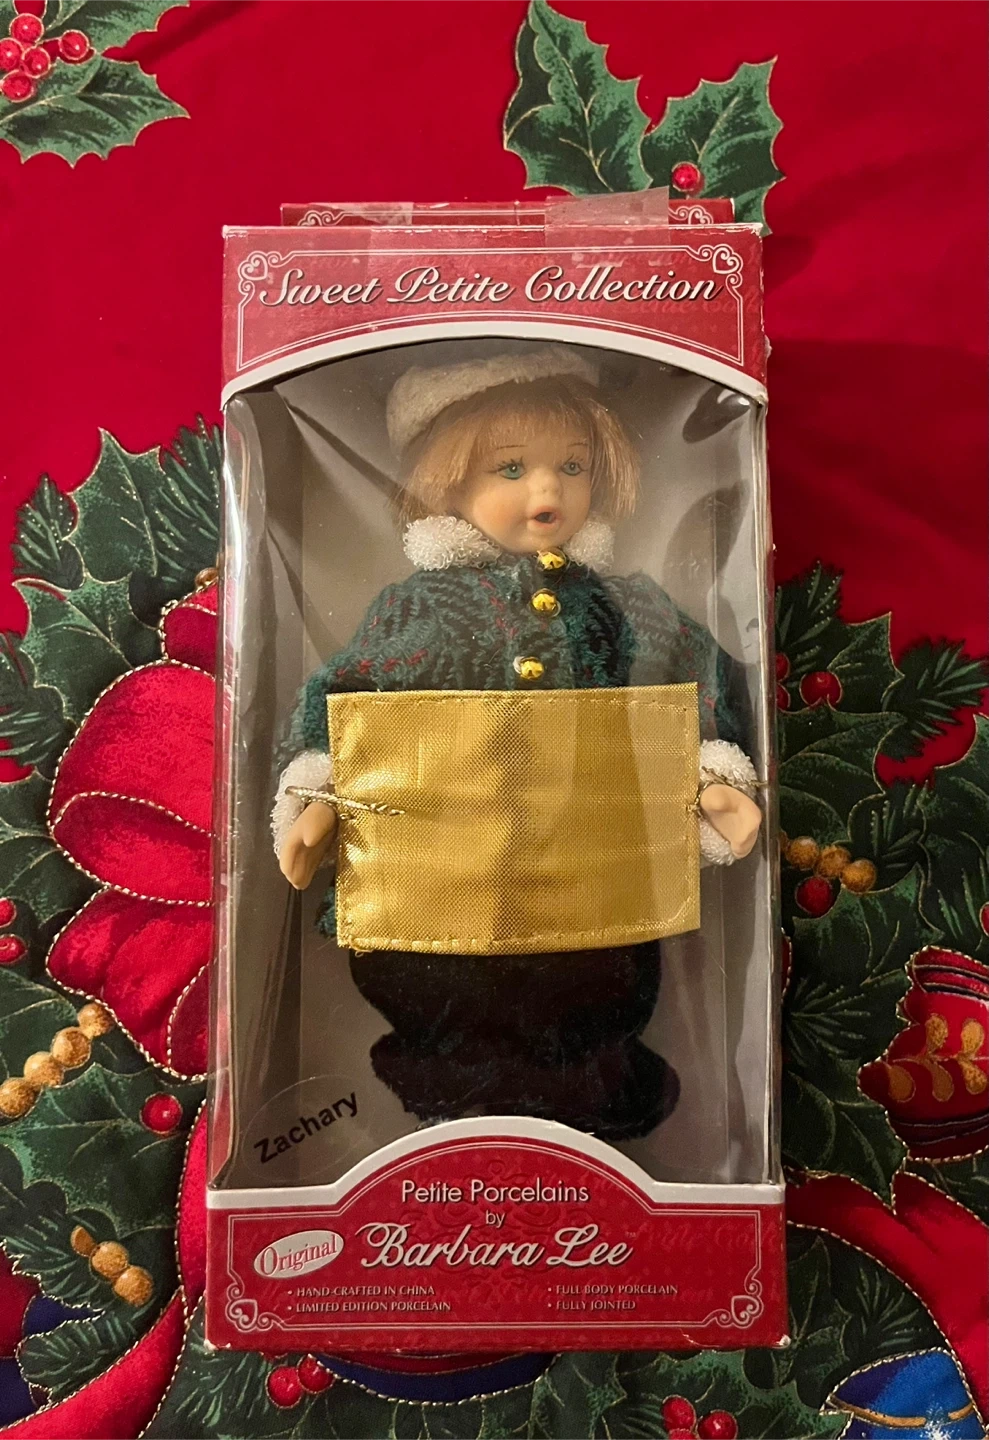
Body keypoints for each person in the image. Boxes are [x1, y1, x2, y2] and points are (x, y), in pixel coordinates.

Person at [272, 346, 761, 1140]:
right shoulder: (419, 611)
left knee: (600, 979)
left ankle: (591, 1088)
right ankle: (454, 1095)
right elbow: (342, 693)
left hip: (594, 875)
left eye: (571, 466)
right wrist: (317, 796)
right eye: (510, 469)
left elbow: (698, 675)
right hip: (439, 878)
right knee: (438, 982)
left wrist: (714, 776)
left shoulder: (622, 607)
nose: (547, 492)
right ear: (446, 481)